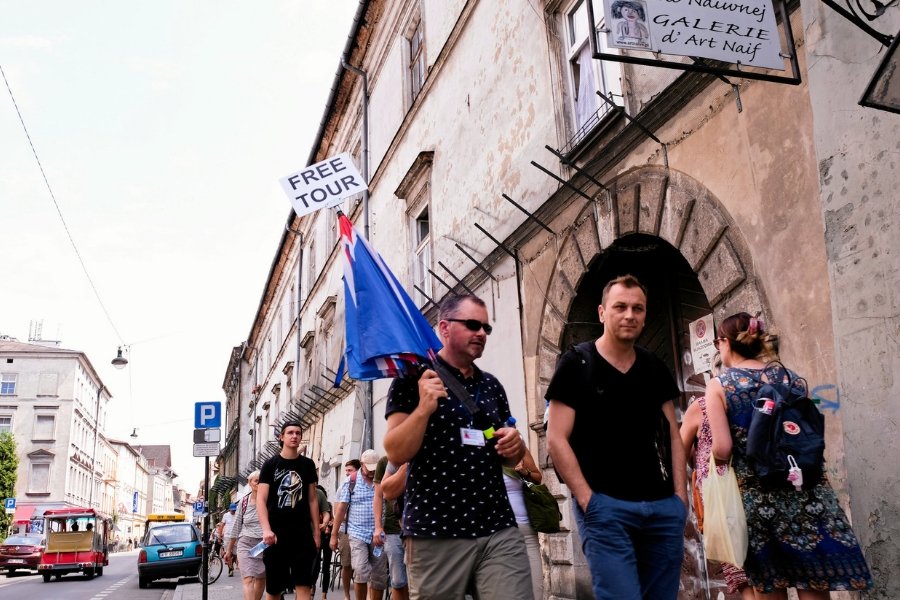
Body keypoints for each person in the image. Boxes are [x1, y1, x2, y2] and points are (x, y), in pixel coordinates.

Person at [704, 312, 873, 598]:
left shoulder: (719, 386)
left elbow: (722, 448)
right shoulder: (793, 379)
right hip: (807, 492)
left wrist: (714, 464)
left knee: (771, 586)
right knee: (814, 582)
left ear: (724, 343)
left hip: (759, 498)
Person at [546, 274, 687, 600]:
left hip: (662, 510)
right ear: (601, 312)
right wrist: (588, 500)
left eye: (638, 308)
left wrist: (679, 499)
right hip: (606, 508)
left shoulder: (653, 367)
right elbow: (556, 439)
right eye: (620, 306)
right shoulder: (577, 363)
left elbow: (673, 437)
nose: (629, 315)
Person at [384, 293, 533, 600]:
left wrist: (515, 446)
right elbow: (396, 451)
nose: (481, 333)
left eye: (486, 328)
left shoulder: (492, 386)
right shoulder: (413, 379)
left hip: (497, 528)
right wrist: (424, 408)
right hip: (436, 532)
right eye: (472, 324)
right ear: (444, 328)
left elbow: (509, 460)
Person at [680, 354, 753, 599]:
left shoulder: (701, 407)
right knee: (766, 576)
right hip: (760, 491)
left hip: (722, 498)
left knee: (741, 575)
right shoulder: (758, 397)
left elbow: (679, 450)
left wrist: (698, 459)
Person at [257, 421, 320, 600]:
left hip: (302, 534)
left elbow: (312, 499)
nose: (294, 436)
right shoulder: (270, 465)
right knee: (274, 590)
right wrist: (266, 529)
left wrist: (316, 532)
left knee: (304, 586)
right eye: (290, 433)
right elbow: (261, 499)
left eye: (298, 433)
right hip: (276, 535)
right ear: (281, 437)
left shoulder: (307, 465)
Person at [330, 449, 387, 600]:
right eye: (369, 468)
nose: (372, 471)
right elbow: (341, 510)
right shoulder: (351, 481)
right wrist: (334, 535)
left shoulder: (382, 479)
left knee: (379, 576)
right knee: (361, 570)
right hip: (357, 533)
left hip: (378, 533)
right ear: (362, 464)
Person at [501, 448, 543, 600]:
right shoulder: (477, 450)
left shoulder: (517, 448)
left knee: (536, 587)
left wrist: (525, 472)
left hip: (526, 530)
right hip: (498, 532)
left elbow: (538, 477)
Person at [225, 470, 266, 600]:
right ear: (249, 483)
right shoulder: (243, 502)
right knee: (248, 579)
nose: (258, 484)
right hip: (246, 544)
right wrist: (229, 550)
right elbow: (236, 527)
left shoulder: (269, 501)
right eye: (256, 481)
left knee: (261, 579)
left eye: (261, 481)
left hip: (264, 545)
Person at [373, 456, 409, 600]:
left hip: (418, 528)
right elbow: (378, 496)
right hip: (392, 529)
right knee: (398, 580)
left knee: (416, 579)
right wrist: (378, 527)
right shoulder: (385, 462)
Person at [333, 460, 360, 600]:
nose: (347, 473)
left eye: (350, 470)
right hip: (345, 531)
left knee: (361, 566)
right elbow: (337, 511)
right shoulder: (343, 486)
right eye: (346, 470)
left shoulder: (364, 485)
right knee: (347, 564)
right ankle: (347, 595)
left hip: (362, 530)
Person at [313, 484, 333, 600]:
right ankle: (312, 590)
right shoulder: (312, 507)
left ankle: (324, 594)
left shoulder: (328, 506)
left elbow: (333, 519)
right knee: (315, 566)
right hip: (316, 538)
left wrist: (329, 523)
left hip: (327, 538)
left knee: (326, 567)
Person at [222, 502, 238, 576]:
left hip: (236, 536)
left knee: (235, 554)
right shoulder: (225, 515)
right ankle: (230, 569)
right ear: (229, 509)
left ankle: (231, 562)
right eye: (232, 510)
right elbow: (222, 525)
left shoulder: (238, 514)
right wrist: (220, 534)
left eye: (234, 510)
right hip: (227, 536)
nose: (233, 511)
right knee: (228, 553)